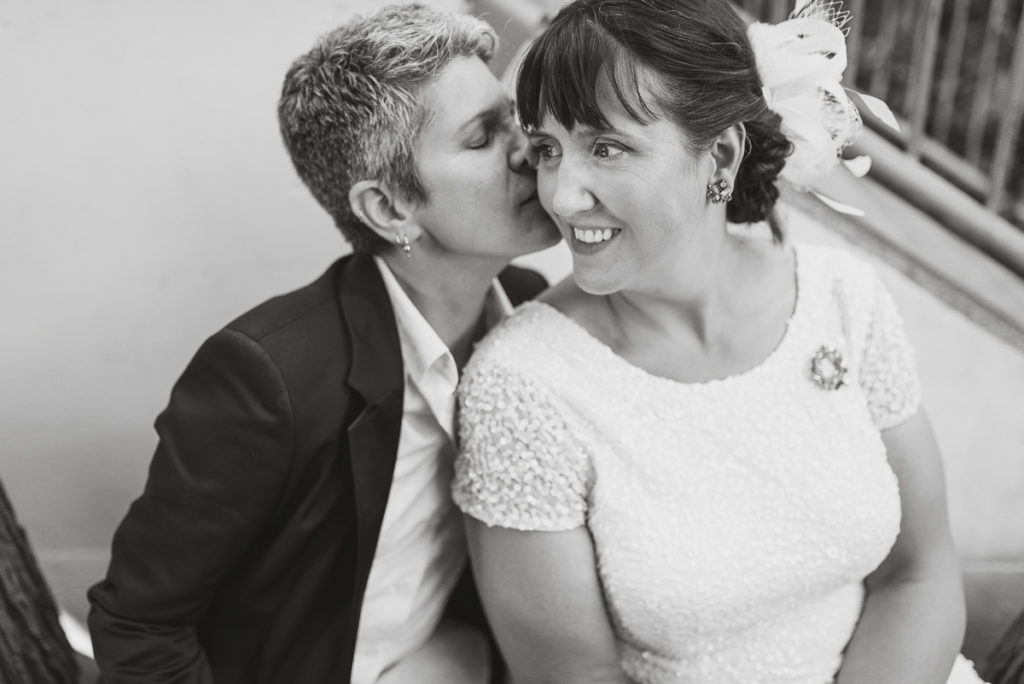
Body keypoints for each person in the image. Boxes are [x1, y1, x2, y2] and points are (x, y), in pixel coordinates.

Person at [451, 1, 987, 683]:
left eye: (606, 148)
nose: (560, 194)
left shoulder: (841, 299)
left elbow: (921, 574)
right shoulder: (523, 387)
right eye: (549, 149)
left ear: (722, 157)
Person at [87, 4, 559, 683]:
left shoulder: (530, 303)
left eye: (512, 115)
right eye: (484, 136)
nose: (530, 147)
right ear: (390, 209)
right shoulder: (265, 378)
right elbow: (140, 625)